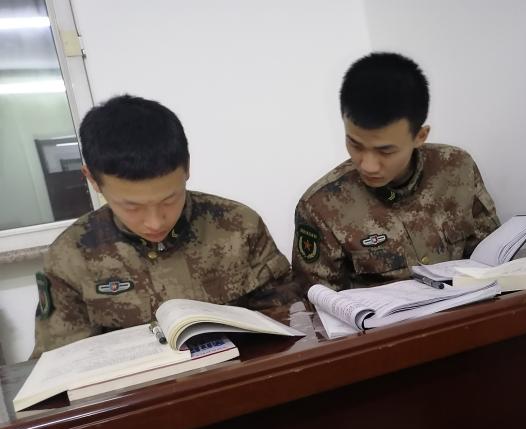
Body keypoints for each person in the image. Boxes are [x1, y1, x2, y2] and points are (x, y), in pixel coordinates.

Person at [33, 94, 295, 356]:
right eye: (132, 207)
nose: (155, 222)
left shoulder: (239, 227)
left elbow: (288, 317)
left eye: (170, 199)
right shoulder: (70, 257)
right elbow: (60, 359)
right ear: (92, 180)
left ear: (187, 166)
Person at [292, 52, 500, 293]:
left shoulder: (456, 169)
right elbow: (317, 302)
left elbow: (493, 259)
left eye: (385, 151)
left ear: (420, 136)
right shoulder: (321, 207)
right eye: (355, 144)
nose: (368, 165)